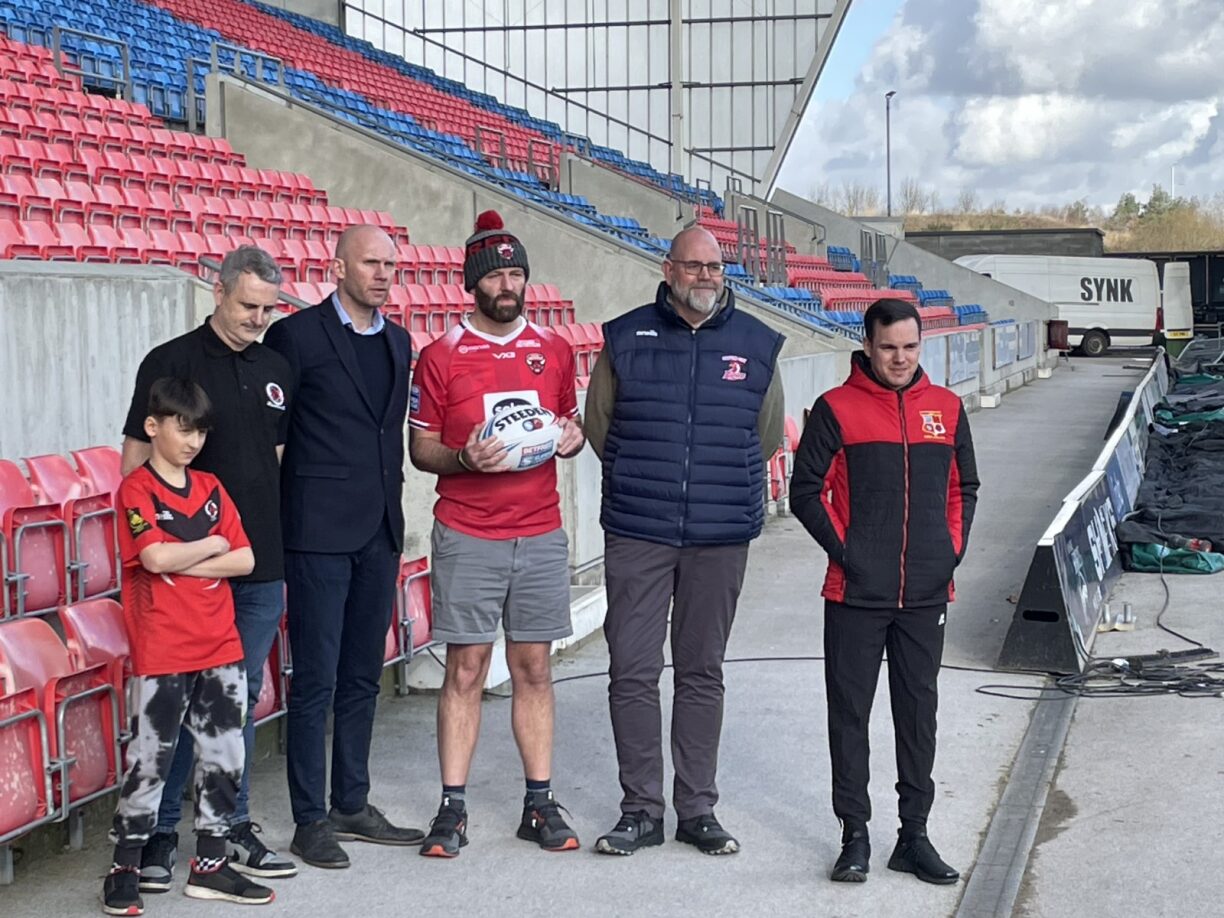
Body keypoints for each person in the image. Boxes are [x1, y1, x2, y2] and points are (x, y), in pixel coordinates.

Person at [584, 226, 785, 856]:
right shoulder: (624, 338)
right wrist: (648, 481)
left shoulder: (756, 344)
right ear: (668, 270)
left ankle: (697, 808)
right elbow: (599, 426)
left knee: (702, 671)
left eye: (716, 267)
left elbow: (769, 435)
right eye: (694, 267)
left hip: (719, 534)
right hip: (639, 530)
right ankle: (641, 809)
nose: (706, 277)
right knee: (633, 670)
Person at [408, 211, 586, 858]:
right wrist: (462, 460)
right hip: (467, 532)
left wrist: (573, 438)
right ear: (472, 284)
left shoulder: (556, 350)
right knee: (467, 668)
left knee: (533, 666)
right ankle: (451, 809)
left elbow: (569, 425)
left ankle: (538, 803)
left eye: (516, 273)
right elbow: (421, 447)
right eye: (497, 275)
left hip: (539, 532)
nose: (508, 285)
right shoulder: (441, 356)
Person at [120, 245, 297, 889]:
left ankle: (228, 830)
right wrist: (176, 553)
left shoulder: (277, 364)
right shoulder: (170, 361)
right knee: (178, 710)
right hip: (187, 569)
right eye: (248, 305)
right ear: (218, 291)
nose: (257, 317)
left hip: (258, 559)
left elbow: (270, 460)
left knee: (236, 702)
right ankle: (162, 835)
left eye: (268, 308)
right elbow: (135, 466)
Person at [789, 298, 979, 886]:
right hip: (855, 593)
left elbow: (964, 486)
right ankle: (855, 836)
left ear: (922, 345)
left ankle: (914, 836)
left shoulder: (946, 409)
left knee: (918, 715)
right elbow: (805, 492)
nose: (900, 358)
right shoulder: (835, 408)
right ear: (867, 346)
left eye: (910, 347)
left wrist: (949, 551)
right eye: (889, 347)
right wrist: (849, 553)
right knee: (850, 716)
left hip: (926, 593)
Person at [263, 224, 423, 869]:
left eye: (390, 263)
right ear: (337, 268)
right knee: (317, 681)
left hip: (379, 530)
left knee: (363, 676)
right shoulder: (295, 337)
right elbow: (273, 438)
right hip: (316, 534)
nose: (383, 273)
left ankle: (351, 802)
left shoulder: (399, 340)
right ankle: (309, 819)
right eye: (370, 263)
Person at [104, 378, 274, 915]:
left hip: (219, 642)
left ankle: (210, 866)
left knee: (226, 755)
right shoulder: (136, 489)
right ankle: (125, 865)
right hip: (163, 649)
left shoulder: (211, 487)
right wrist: (211, 546)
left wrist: (187, 557)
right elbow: (151, 559)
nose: (194, 440)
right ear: (153, 427)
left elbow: (245, 560)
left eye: (201, 430)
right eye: (184, 428)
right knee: (150, 759)